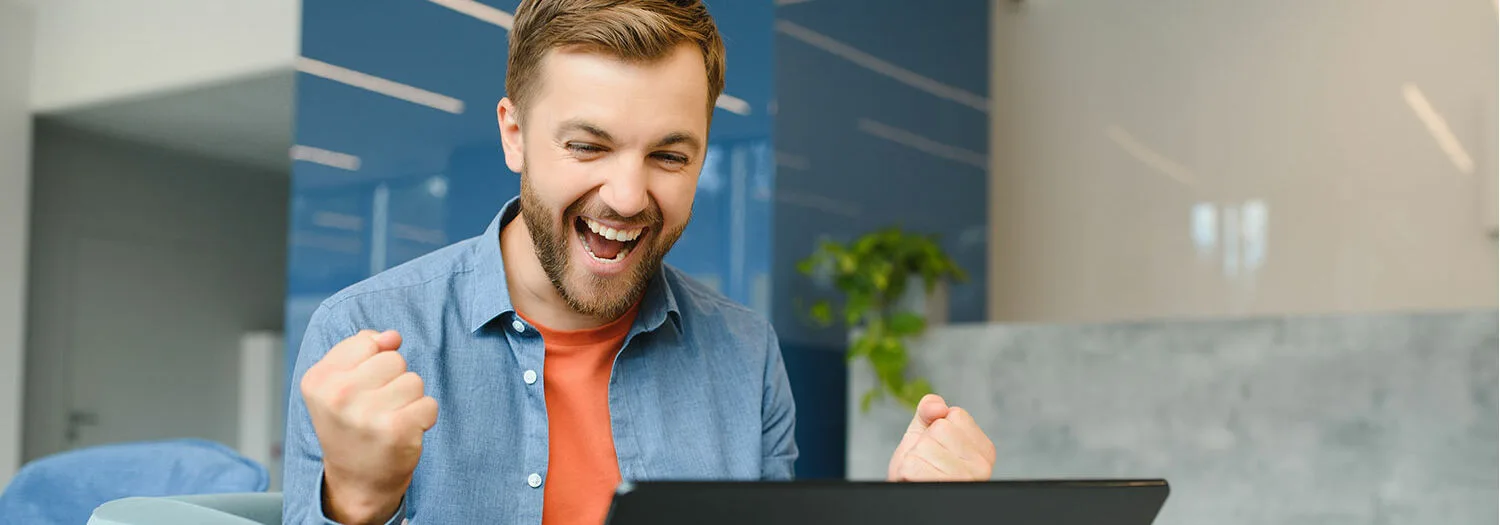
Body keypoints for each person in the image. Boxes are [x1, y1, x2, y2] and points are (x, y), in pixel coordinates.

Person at [283, 1, 998, 524]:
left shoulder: (745, 356)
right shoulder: (363, 332)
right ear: (515, 136)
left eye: (668, 155)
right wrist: (359, 502)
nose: (626, 197)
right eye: (588, 147)